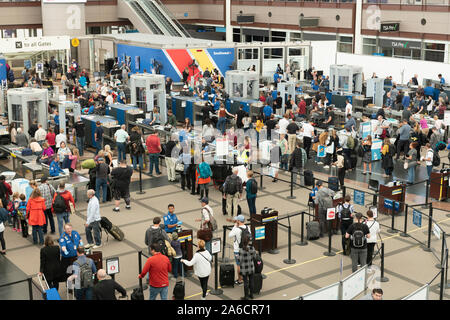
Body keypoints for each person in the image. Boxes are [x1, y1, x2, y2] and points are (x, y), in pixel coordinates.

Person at [227, 214, 251, 286]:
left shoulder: (237, 229)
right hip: (246, 248)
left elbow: (229, 235)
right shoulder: (248, 227)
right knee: (246, 263)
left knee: (238, 265)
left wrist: (235, 226)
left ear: (238, 221)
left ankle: (240, 279)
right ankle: (246, 277)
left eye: (237, 220)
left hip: (238, 250)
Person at [237, 233, 257, 300]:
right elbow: (255, 257)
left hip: (244, 269)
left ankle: (246, 296)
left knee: (246, 282)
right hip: (251, 267)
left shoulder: (241, 250)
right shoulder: (252, 248)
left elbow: (240, 260)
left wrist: (237, 257)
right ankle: (251, 295)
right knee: (251, 281)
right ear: (249, 241)